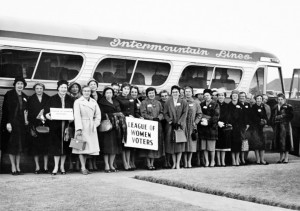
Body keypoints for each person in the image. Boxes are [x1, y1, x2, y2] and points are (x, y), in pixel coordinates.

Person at [45, 80, 74, 175]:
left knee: (65, 146)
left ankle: (62, 166)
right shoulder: (52, 99)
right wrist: (48, 116)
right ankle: (56, 166)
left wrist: (72, 118)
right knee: (56, 146)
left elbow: (74, 112)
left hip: (67, 126)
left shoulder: (71, 99)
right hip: (55, 126)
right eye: (62, 87)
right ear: (58, 88)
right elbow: (47, 112)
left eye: (65, 87)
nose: (63, 89)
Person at [1, 77, 28, 175]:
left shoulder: (25, 96)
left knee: (19, 146)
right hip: (11, 123)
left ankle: (18, 166)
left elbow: (26, 112)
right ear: (15, 85)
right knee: (12, 146)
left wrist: (26, 120)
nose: (20, 85)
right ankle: (13, 166)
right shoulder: (9, 94)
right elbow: (5, 110)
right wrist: (7, 123)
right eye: (18, 84)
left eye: (22, 84)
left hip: (21, 125)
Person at [72, 85, 101, 175]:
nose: (86, 93)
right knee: (80, 147)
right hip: (82, 125)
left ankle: (85, 166)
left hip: (91, 126)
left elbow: (98, 115)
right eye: (85, 91)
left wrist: (95, 124)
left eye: (88, 91)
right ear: (82, 92)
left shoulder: (93, 101)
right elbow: (76, 115)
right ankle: (83, 167)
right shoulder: (78, 102)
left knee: (88, 148)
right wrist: (79, 128)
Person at [98, 86, 123, 173]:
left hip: (116, 126)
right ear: (104, 94)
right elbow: (101, 114)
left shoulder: (116, 101)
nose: (109, 94)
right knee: (106, 147)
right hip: (107, 127)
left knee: (114, 148)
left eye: (111, 93)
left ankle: (111, 164)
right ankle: (106, 165)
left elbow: (120, 111)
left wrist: (119, 114)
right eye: (107, 93)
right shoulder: (101, 102)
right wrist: (114, 114)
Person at [139, 87, 165, 170]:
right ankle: (148, 163)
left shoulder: (158, 103)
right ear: (147, 94)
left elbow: (162, 112)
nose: (151, 94)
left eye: (153, 93)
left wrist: (159, 118)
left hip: (157, 125)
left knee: (155, 144)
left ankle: (152, 163)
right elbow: (143, 113)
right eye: (149, 93)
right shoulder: (144, 102)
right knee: (148, 144)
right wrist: (151, 118)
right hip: (148, 125)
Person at [28, 83, 50, 174]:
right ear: (35, 89)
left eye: (41, 88)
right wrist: (32, 125)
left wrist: (44, 117)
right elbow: (29, 113)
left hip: (46, 125)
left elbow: (50, 110)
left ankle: (45, 167)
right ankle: (37, 167)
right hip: (35, 125)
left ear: (43, 89)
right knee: (35, 148)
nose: (39, 90)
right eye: (37, 88)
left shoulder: (48, 98)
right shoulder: (31, 99)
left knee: (46, 147)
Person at [116, 82, 139, 170]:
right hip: (123, 122)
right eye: (125, 89)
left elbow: (135, 110)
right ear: (122, 89)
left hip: (131, 123)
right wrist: (126, 114)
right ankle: (124, 162)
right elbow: (118, 110)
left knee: (129, 143)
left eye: (128, 89)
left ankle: (129, 162)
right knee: (123, 143)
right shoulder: (118, 98)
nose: (126, 90)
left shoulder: (131, 98)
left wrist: (139, 117)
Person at [164, 85, 188, 169]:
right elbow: (165, 113)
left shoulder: (183, 102)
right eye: (173, 92)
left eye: (176, 92)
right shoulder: (168, 102)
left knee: (179, 145)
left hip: (180, 127)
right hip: (171, 126)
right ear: (171, 93)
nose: (175, 93)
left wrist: (179, 122)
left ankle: (178, 163)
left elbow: (185, 113)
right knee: (172, 146)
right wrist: (170, 121)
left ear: (179, 93)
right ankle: (174, 163)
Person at [198, 89, 220, 167]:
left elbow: (216, 116)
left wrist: (208, 121)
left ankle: (212, 161)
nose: (206, 97)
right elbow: (199, 114)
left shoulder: (215, 104)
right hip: (203, 127)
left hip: (212, 128)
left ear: (211, 96)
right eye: (205, 95)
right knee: (204, 147)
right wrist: (202, 119)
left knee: (211, 147)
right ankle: (207, 161)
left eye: (208, 95)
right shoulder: (201, 104)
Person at [271, 93, 294, 163]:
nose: (280, 101)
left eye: (281, 99)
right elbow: (272, 116)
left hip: (285, 127)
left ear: (284, 99)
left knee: (286, 141)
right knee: (279, 142)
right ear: (277, 100)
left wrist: (282, 116)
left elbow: (291, 116)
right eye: (278, 99)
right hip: (277, 127)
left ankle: (286, 157)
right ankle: (281, 158)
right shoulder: (275, 107)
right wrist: (274, 119)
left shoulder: (288, 106)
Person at [183, 86, 202, 168]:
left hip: (192, 125)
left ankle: (189, 161)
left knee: (191, 143)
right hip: (183, 125)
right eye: (186, 91)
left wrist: (195, 122)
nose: (187, 93)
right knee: (183, 143)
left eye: (189, 91)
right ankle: (184, 162)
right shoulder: (182, 102)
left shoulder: (195, 103)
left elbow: (199, 114)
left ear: (192, 93)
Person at [250, 95, 268, 165]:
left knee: (262, 144)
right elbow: (253, 117)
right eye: (257, 98)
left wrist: (265, 121)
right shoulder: (253, 107)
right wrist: (260, 120)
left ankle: (262, 159)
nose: (259, 100)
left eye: (260, 98)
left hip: (262, 128)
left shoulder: (263, 107)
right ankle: (257, 159)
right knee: (256, 144)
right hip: (256, 128)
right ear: (255, 99)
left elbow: (266, 116)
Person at [228, 90, 244, 166]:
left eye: (236, 96)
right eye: (233, 96)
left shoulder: (241, 105)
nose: (234, 97)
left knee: (238, 144)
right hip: (231, 127)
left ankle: (237, 159)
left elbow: (243, 117)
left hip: (239, 127)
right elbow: (228, 117)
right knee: (232, 144)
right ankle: (233, 160)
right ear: (231, 97)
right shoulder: (229, 105)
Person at [68, 82, 82, 171]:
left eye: (77, 87)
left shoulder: (81, 98)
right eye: (73, 87)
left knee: (78, 144)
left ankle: (78, 164)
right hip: (70, 123)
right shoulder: (68, 98)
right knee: (69, 144)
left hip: (78, 124)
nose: (75, 89)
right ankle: (70, 164)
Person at [88, 79, 101, 171]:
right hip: (88, 121)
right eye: (91, 84)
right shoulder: (86, 96)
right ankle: (89, 163)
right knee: (89, 142)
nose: (93, 86)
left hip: (98, 121)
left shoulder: (100, 96)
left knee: (97, 143)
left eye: (94, 84)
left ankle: (95, 162)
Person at [215, 89, 231, 167]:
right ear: (217, 97)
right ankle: (218, 161)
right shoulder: (215, 104)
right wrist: (217, 122)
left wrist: (224, 122)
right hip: (216, 126)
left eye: (222, 95)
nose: (220, 97)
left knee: (224, 145)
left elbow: (228, 116)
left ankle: (223, 161)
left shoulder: (227, 106)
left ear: (224, 97)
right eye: (219, 95)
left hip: (224, 127)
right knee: (218, 145)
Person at [129, 85, 142, 169]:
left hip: (136, 124)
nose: (134, 93)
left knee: (134, 145)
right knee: (129, 145)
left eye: (135, 92)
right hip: (130, 123)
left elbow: (138, 111)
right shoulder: (129, 100)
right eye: (132, 92)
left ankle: (133, 161)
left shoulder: (138, 101)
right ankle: (129, 161)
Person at [159, 90, 171, 168]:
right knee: (161, 143)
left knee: (168, 142)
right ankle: (163, 161)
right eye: (162, 96)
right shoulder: (159, 103)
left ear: (168, 96)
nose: (164, 97)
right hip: (161, 123)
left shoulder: (171, 102)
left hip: (168, 124)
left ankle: (168, 161)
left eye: (165, 96)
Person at [239, 91, 251, 165]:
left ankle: (245, 158)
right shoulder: (237, 105)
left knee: (246, 143)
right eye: (240, 97)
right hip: (240, 126)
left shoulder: (247, 104)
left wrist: (248, 124)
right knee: (240, 143)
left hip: (247, 127)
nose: (242, 98)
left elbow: (250, 115)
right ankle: (241, 159)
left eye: (243, 96)